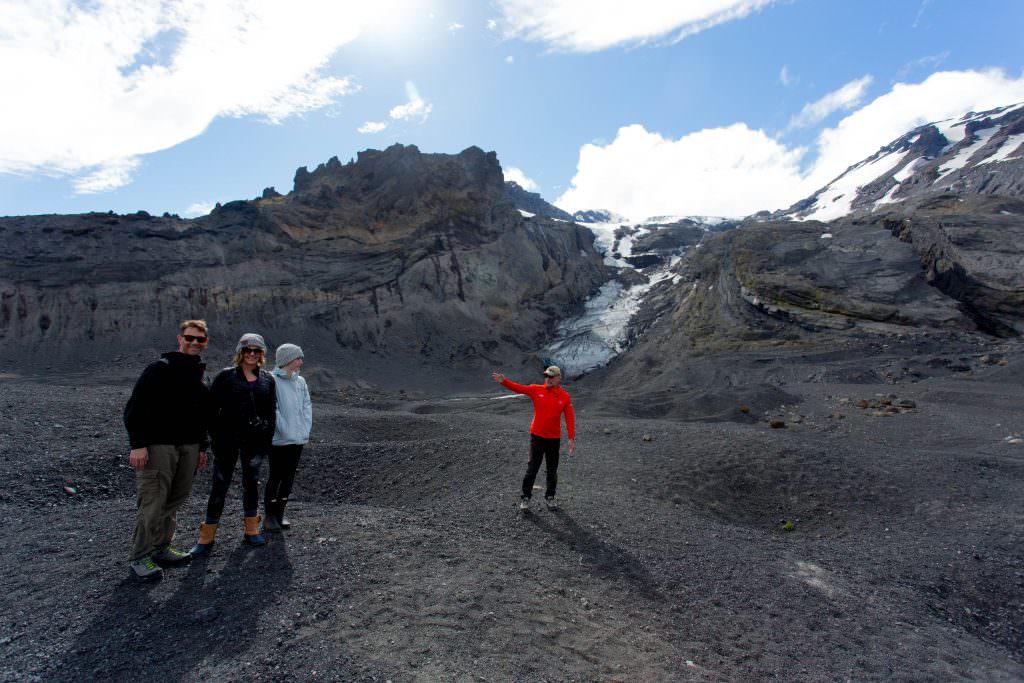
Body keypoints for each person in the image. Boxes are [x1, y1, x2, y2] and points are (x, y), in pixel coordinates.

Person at [123, 319, 212, 581]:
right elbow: (135, 408)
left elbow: (202, 415)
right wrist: (138, 445)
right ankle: (140, 556)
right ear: (180, 338)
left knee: (177, 496)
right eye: (190, 338)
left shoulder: (199, 374)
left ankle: (161, 547)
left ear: (205, 343)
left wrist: (202, 446)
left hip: (189, 446)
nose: (194, 343)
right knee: (153, 500)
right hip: (159, 445)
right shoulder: (159, 369)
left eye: (200, 339)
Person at [191, 333, 276, 555]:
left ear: (262, 354)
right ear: (240, 353)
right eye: (247, 350)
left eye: (256, 351)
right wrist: (215, 436)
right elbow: (209, 410)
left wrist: (265, 434)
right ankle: (206, 535)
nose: (251, 354)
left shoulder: (268, 379)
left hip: (254, 441)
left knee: (252, 482)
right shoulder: (225, 377)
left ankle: (251, 530)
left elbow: (270, 411)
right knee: (220, 484)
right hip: (227, 440)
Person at [491, 365, 576, 511]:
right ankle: (526, 497)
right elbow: (519, 388)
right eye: (546, 376)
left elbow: (569, 418)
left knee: (552, 470)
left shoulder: (564, 397)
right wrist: (504, 381)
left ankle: (550, 496)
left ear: (558, 378)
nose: (548, 379)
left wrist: (571, 438)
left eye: (551, 376)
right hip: (537, 437)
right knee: (532, 468)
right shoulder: (536, 390)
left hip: (553, 439)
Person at [262, 343, 313, 533]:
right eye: (297, 358)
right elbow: (272, 409)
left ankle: (280, 513)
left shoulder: (300, 382)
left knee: (289, 477)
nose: (301, 361)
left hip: (297, 438)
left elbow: (307, 406)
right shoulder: (272, 380)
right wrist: (283, 429)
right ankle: (269, 516)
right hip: (279, 439)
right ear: (286, 360)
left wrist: (304, 428)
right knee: (276, 476)